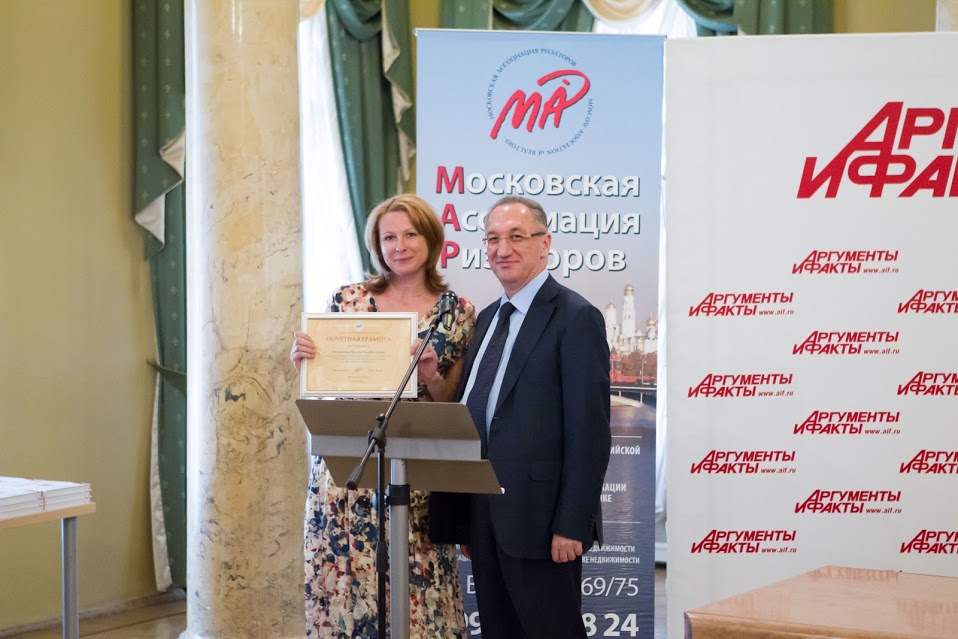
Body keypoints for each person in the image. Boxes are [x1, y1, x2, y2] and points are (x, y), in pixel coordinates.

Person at [290, 194, 476, 639]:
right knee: (346, 595)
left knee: (418, 598)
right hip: (347, 476)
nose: (400, 245)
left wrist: (431, 375)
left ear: (432, 240)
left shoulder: (457, 313)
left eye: (411, 234)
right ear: (377, 244)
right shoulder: (347, 300)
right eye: (389, 237)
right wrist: (308, 362)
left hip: (417, 477)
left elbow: (454, 401)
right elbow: (329, 387)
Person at [432, 195, 611, 639]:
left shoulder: (576, 317)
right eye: (492, 239)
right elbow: (480, 412)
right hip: (485, 519)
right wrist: (468, 516)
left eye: (516, 236)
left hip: (543, 524)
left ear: (545, 243)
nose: (502, 249)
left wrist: (572, 523)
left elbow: (589, 433)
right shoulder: (488, 318)